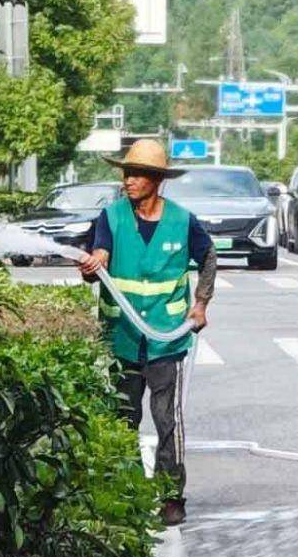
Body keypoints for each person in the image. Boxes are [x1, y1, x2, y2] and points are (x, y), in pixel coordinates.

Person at [74, 135, 216, 527]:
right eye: (127, 173)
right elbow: (99, 252)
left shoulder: (182, 221)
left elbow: (207, 257)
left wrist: (201, 302)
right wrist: (93, 262)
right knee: (122, 418)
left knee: (166, 419)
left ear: (157, 180)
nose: (128, 181)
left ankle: (170, 497)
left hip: (167, 339)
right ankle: (129, 492)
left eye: (137, 174)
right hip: (122, 338)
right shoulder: (111, 217)